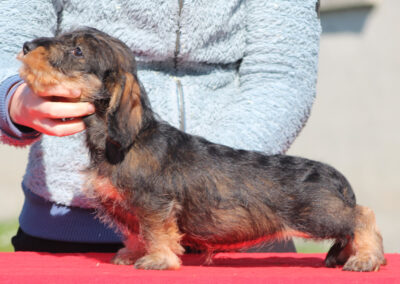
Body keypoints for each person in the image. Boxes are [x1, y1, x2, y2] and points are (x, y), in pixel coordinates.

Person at [0, 0, 321, 253]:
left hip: (237, 216)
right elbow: (10, 44)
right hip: (69, 227)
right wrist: (12, 98)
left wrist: (203, 182)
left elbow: (281, 74)